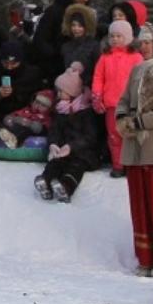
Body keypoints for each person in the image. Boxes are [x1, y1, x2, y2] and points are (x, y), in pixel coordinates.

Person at [114, 40, 153, 279]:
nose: (143, 47)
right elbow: (124, 99)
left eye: (148, 42)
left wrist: (140, 122)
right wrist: (123, 118)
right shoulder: (137, 69)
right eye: (141, 43)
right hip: (135, 146)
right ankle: (146, 259)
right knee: (141, 204)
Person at [35, 65, 104, 202]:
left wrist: (71, 146)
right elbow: (54, 130)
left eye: (61, 91)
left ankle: (66, 186)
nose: (58, 94)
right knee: (55, 162)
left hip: (84, 152)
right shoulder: (60, 110)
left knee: (76, 166)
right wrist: (53, 144)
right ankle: (46, 181)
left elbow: (90, 137)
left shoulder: (86, 112)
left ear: (72, 93)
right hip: (63, 149)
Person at [93, 19, 145, 176]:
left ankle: (132, 165)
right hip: (111, 105)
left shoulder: (136, 57)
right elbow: (98, 77)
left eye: (119, 36)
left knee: (131, 135)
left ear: (128, 37)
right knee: (114, 136)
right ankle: (118, 165)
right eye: (112, 36)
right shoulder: (105, 57)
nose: (115, 39)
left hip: (130, 105)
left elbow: (141, 78)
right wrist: (97, 96)